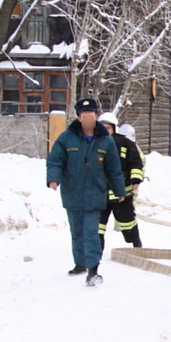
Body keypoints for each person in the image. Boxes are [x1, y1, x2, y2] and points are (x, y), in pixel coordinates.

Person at [47, 98, 126, 287]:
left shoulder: (106, 141)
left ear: (96, 117)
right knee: (77, 232)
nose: (88, 119)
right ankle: (80, 264)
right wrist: (53, 178)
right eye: (84, 116)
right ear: (79, 118)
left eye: (91, 116)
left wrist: (119, 190)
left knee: (91, 232)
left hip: (95, 194)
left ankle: (93, 270)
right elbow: (55, 160)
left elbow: (113, 168)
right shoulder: (67, 138)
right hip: (72, 193)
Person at [97, 113, 144, 249]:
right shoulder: (91, 144)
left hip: (122, 195)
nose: (105, 131)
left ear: (114, 129)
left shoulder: (126, 144)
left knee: (127, 223)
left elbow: (136, 162)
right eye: (102, 127)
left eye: (108, 128)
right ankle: (95, 255)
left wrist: (135, 179)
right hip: (100, 195)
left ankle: (136, 245)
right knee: (96, 228)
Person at [118, 124, 146, 204]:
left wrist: (135, 179)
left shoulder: (133, 148)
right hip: (127, 180)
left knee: (131, 202)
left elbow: (138, 163)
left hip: (131, 181)